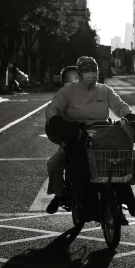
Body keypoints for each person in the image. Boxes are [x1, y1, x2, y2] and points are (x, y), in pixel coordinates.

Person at [45, 55, 135, 221]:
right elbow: (52, 108)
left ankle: (124, 198)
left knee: (121, 160)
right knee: (54, 164)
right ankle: (60, 195)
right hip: (76, 137)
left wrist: (131, 117)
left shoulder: (104, 90)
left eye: (94, 71)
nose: (91, 74)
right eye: (87, 71)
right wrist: (57, 121)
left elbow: (120, 106)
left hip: (102, 137)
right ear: (80, 73)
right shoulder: (68, 91)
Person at [46, 65, 79, 214]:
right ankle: (59, 195)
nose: (72, 83)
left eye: (77, 79)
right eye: (68, 80)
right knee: (53, 163)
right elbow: (51, 128)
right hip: (70, 147)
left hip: (95, 147)